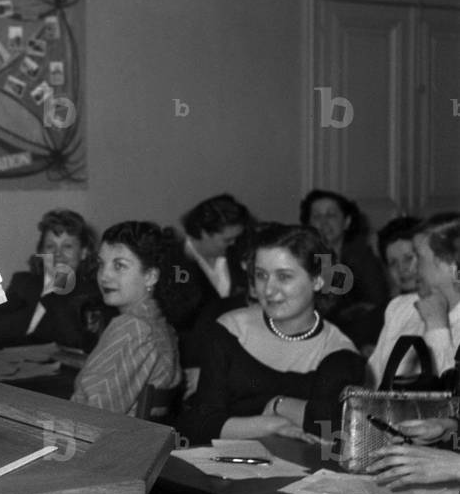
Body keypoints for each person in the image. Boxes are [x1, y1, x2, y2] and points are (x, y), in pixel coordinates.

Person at [177, 223, 367, 446]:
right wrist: (272, 424)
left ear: (318, 280)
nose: (268, 290)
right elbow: (198, 425)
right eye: (261, 275)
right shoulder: (231, 329)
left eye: (284, 277)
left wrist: (278, 404)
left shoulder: (339, 353)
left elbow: (333, 431)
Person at [71, 222, 181, 416]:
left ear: (150, 276)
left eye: (119, 266)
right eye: (101, 264)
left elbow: (93, 414)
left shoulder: (133, 328)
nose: (104, 275)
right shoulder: (159, 324)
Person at [0, 208, 103, 351]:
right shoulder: (22, 283)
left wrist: (57, 290)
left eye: (67, 246)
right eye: (50, 246)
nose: (57, 254)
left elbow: (78, 342)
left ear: (84, 253)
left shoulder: (91, 294)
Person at [367, 213, 460, 387]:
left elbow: (450, 402)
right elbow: (373, 382)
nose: (410, 268)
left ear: (448, 264)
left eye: (418, 257)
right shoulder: (401, 308)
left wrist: (437, 328)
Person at [164, 193, 252, 368]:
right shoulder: (175, 263)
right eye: (227, 239)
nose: (234, 243)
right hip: (192, 362)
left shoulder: (237, 255)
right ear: (203, 232)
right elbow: (178, 315)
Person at [299, 188, 389, 347]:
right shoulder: (300, 257)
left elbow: (377, 302)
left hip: (358, 335)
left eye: (331, 215)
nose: (324, 223)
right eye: (317, 216)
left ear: (347, 222)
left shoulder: (361, 256)